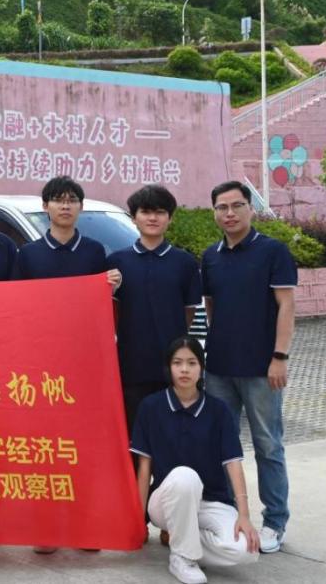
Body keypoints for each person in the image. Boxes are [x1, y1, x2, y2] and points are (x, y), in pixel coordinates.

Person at [13, 175, 121, 554]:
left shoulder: (94, 252)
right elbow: (17, 308)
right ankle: (46, 526)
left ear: (80, 207)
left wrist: (110, 285)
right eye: (57, 200)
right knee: (43, 447)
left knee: (83, 447)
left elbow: (102, 307)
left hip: (83, 364)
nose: (64, 206)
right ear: (45, 207)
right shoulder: (28, 255)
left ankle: (85, 525)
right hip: (40, 365)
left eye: (71, 200)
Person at [201, 181, 296, 554]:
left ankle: (275, 521)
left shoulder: (273, 251)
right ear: (214, 213)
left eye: (236, 205)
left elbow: (286, 306)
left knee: (267, 445)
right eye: (221, 207)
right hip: (219, 369)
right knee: (221, 445)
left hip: (261, 369)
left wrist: (279, 356)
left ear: (250, 208)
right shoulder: (210, 257)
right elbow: (212, 307)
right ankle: (227, 513)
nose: (229, 213)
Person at [130, 337, 260, 584]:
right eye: (177, 363)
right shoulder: (150, 407)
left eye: (191, 363)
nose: (184, 369)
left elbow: (233, 464)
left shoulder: (219, 410)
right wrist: (138, 520)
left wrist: (244, 515)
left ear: (201, 368)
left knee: (246, 550)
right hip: (166, 502)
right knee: (185, 477)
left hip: (212, 502)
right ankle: (183, 558)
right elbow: (144, 470)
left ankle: (182, 541)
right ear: (169, 368)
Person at [106, 185, 203, 433]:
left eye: (160, 212)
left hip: (174, 366)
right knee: (136, 434)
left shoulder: (185, 262)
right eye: (146, 212)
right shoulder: (116, 262)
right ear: (133, 217)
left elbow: (189, 312)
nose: (153, 218)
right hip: (130, 365)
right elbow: (110, 313)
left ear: (170, 218)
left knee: (174, 435)